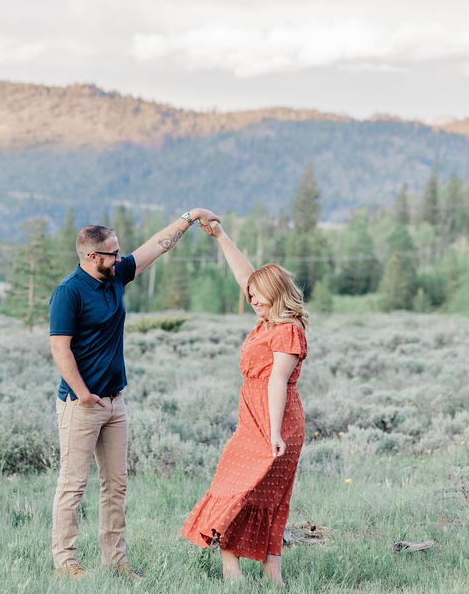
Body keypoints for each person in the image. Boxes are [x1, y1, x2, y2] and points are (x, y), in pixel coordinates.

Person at [49, 209, 220, 582]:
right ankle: (66, 564)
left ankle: (115, 561)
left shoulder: (115, 276)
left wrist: (189, 218)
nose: (120, 257)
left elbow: (154, 249)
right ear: (91, 256)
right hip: (81, 405)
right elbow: (60, 349)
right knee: (73, 485)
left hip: (115, 402)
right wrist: (83, 395)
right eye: (112, 252)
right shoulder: (69, 292)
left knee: (116, 485)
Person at [180, 220, 308, 588]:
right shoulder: (267, 319)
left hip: (276, 424)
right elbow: (246, 277)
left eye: (258, 297)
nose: (252, 301)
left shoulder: (287, 329)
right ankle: (231, 571)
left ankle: (273, 575)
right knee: (232, 489)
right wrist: (221, 236)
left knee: (265, 496)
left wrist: (272, 434)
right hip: (251, 422)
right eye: (250, 297)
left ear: (277, 294)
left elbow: (277, 382)